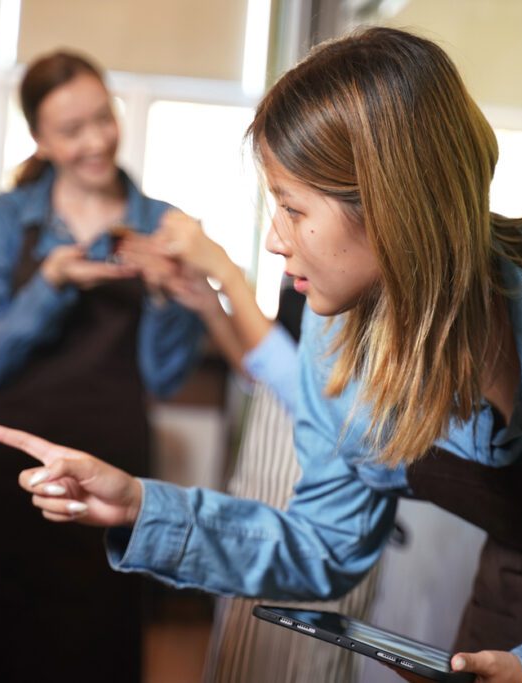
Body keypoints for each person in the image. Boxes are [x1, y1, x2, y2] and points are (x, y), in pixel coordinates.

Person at [0, 28, 522, 682]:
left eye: (291, 208)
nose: (272, 238)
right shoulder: (338, 328)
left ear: (391, 205)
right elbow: (327, 546)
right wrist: (143, 506)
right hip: (515, 616)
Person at [0, 50, 204, 682]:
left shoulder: (161, 225)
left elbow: (164, 379)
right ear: (41, 140)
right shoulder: (8, 216)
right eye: (73, 131)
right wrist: (51, 281)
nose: (98, 140)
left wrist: (164, 295)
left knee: (89, 650)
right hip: (4, 475)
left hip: (111, 477)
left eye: (104, 118)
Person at [148, 215, 381, 682]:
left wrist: (226, 271)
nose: (278, 233)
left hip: (322, 487)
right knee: (244, 642)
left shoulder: (361, 262)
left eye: (291, 205)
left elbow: (314, 397)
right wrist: (212, 305)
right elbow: (265, 374)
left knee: (303, 655)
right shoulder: (306, 253)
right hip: (267, 465)